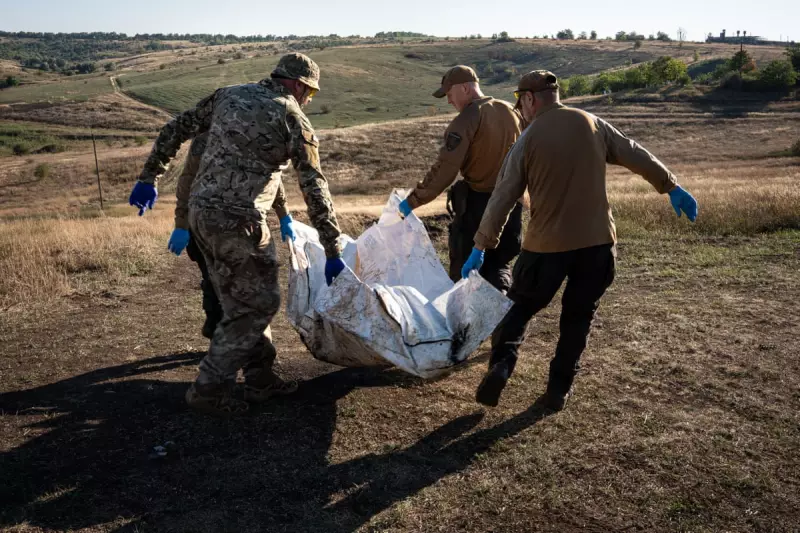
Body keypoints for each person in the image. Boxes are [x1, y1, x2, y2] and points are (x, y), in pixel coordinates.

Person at [463, 70, 698, 411]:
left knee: (518, 309)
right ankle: (558, 390)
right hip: (598, 243)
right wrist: (670, 186)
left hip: (545, 247)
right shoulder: (593, 123)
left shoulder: (527, 140)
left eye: (520, 103)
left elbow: (502, 197)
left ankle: (501, 365)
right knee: (578, 316)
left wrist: (480, 245)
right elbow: (634, 153)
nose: (520, 110)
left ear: (529, 99)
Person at [129, 53, 347, 416]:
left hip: (202, 216)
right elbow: (314, 186)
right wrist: (333, 247)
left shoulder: (228, 95)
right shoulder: (294, 117)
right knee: (258, 305)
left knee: (241, 301)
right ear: (297, 85)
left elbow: (176, 128)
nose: (308, 99)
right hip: (240, 221)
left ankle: (261, 379)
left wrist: (149, 176)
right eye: (310, 92)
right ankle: (208, 390)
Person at [397, 65, 524, 292]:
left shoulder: (468, 118)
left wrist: (412, 201)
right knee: (498, 266)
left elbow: (445, 169)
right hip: (511, 206)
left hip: (478, 207)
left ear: (465, 88)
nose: (448, 101)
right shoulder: (511, 111)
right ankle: (501, 318)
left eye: (449, 94)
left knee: (464, 275)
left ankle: (465, 325)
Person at [166, 132, 296, 340]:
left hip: (241, 223)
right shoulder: (206, 139)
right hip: (206, 223)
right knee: (215, 278)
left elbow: (271, 177)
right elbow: (187, 181)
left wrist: (284, 215)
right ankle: (220, 327)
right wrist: (181, 225)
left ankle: (228, 331)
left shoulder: (256, 133)